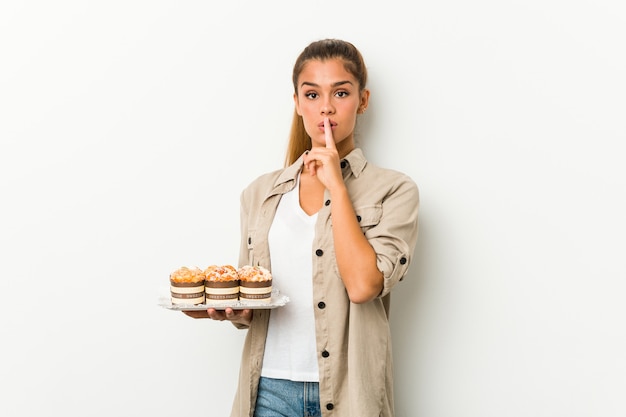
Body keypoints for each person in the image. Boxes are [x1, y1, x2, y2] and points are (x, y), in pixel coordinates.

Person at [185, 38, 419, 417]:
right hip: (268, 392)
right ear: (296, 103)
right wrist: (232, 310)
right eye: (311, 94)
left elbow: (363, 286)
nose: (325, 107)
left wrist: (337, 188)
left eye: (340, 92)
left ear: (363, 100)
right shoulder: (259, 194)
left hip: (351, 393)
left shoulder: (394, 190)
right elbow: (253, 298)